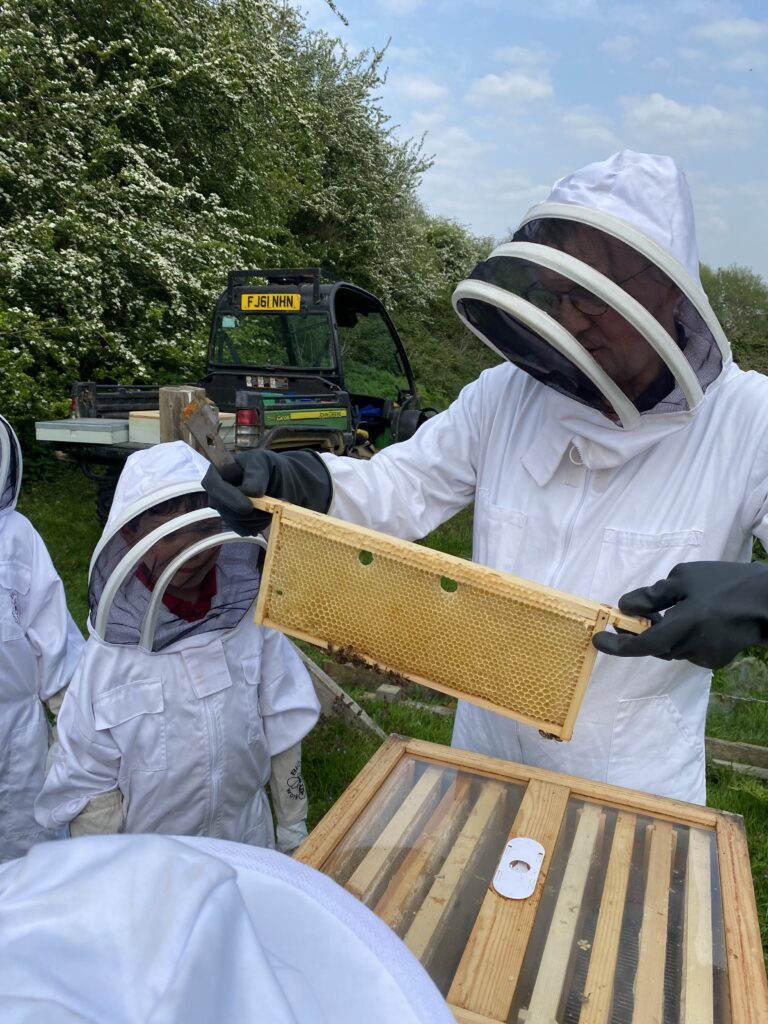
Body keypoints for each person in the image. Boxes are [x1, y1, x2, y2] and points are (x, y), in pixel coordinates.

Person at [202, 150, 768, 806]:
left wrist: (761, 598)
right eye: (560, 292)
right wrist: (305, 482)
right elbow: (405, 486)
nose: (571, 315)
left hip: (633, 784)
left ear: (668, 287)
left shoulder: (749, 421)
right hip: (483, 758)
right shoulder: (507, 394)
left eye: (591, 293)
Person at [35, 442, 319, 851]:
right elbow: (90, 782)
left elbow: (283, 723)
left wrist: (293, 828)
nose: (190, 550)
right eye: (171, 534)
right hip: (152, 862)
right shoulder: (110, 659)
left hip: (247, 842)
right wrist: (100, 872)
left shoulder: (250, 625)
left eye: (204, 530)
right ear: (131, 534)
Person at [0, 833, 454, 1024]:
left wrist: (292, 814)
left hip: (242, 832)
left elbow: (280, 720)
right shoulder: (112, 665)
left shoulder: (252, 646)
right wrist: (102, 838)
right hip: (151, 834)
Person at [0, 414, 84, 862]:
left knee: (22, 856)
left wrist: (72, 716)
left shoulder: (16, 539)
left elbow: (55, 639)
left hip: (13, 737)